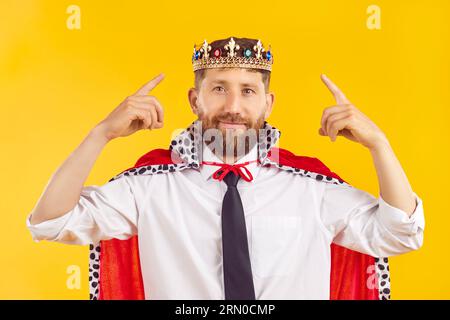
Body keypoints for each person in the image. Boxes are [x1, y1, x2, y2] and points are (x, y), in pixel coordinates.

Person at [26, 36, 425, 300]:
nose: (233, 106)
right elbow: (50, 222)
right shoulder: (149, 188)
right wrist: (100, 134)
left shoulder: (311, 188)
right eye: (218, 89)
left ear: (268, 104)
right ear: (194, 100)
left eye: (248, 91)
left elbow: (400, 235)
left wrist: (379, 145)